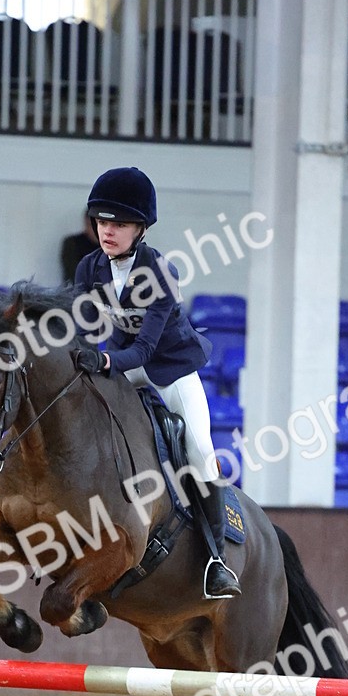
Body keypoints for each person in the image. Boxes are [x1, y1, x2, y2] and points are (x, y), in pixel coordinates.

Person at [73, 166, 241, 600]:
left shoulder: (159, 271)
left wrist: (105, 358)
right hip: (124, 360)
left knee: (201, 450)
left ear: (141, 228)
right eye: (102, 221)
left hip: (170, 368)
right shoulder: (89, 268)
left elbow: (145, 350)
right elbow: (77, 324)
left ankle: (216, 559)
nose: (107, 231)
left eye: (119, 224)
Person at [60, 209, 100, 284]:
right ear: (86, 223)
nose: (96, 230)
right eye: (92, 226)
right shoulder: (72, 243)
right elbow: (75, 275)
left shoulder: (111, 247)